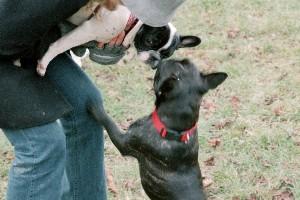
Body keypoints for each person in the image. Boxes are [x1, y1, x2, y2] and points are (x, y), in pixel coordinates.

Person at [0, 0, 185, 199]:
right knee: (43, 146)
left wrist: (103, 36)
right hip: (7, 41)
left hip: (30, 40)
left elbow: (59, 25)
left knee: (87, 106)